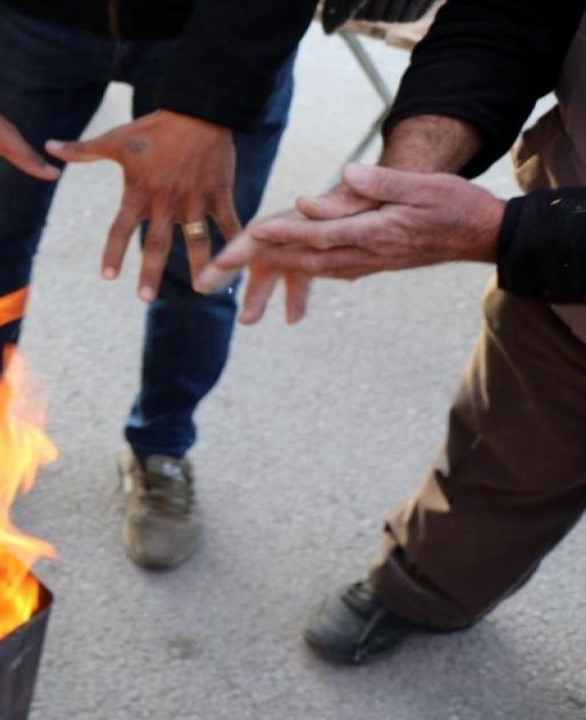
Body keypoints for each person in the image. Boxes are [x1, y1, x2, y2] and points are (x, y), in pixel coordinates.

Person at [0, 0, 313, 569]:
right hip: (24, 19)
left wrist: (213, 103)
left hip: (217, 27)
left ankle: (163, 449)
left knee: (201, 262)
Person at [197, 0, 586, 664]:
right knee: (505, 447)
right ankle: (426, 590)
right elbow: (511, 18)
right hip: (565, 278)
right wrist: (403, 178)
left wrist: (501, 232)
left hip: (551, 238)